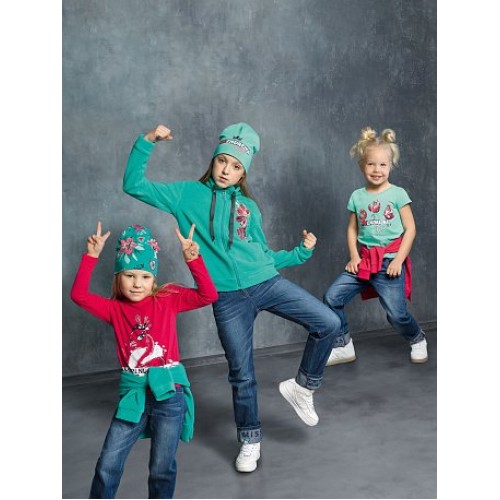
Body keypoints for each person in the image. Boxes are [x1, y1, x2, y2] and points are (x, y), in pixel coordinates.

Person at [122, 123, 344, 473]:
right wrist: (148, 141)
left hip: (266, 282)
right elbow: (133, 184)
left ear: (244, 172)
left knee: (328, 322)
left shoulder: (248, 207)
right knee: (242, 372)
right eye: (222, 161)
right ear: (213, 160)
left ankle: (303, 387)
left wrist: (300, 253)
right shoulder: (185, 195)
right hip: (227, 299)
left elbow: (263, 253)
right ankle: (250, 438)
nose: (227, 170)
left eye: (236, 166)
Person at [70, 221, 218, 498]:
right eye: (129, 275)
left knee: (162, 468)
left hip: (169, 394)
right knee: (107, 464)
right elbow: (78, 295)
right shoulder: (114, 309)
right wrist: (91, 256)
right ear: (118, 277)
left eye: (145, 277)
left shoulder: (168, 298)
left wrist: (193, 259)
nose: (137, 284)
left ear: (154, 279)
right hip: (134, 395)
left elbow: (208, 295)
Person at [323, 126, 428, 367]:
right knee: (332, 297)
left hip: (389, 261)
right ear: (362, 165)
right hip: (364, 262)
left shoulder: (398, 194)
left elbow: (410, 229)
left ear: (390, 165)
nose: (377, 170)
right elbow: (352, 229)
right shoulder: (357, 196)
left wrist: (398, 260)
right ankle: (343, 345)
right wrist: (354, 256)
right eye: (371, 164)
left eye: (383, 164)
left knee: (396, 315)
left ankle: (417, 338)